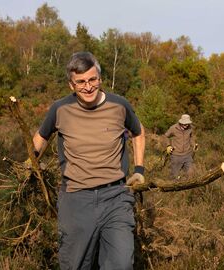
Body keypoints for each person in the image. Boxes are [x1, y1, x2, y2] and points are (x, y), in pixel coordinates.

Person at [32, 51, 145, 270]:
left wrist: (139, 170)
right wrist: (29, 163)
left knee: (121, 264)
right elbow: (41, 137)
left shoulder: (119, 105)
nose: (88, 86)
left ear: (100, 79)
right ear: (71, 85)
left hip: (116, 198)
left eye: (92, 79)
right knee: (74, 265)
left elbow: (139, 132)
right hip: (76, 199)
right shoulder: (60, 109)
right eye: (81, 82)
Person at [164, 114, 196, 180]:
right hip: (176, 155)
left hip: (187, 155)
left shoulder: (190, 128)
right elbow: (165, 136)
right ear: (181, 122)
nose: (186, 125)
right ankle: (172, 188)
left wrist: (194, 144)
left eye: (187, 123)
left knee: (191, 173)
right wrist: (168, 145)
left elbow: (191, 137)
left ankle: (188, 189)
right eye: (184, 123)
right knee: (174, 176)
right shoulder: (173, 128)